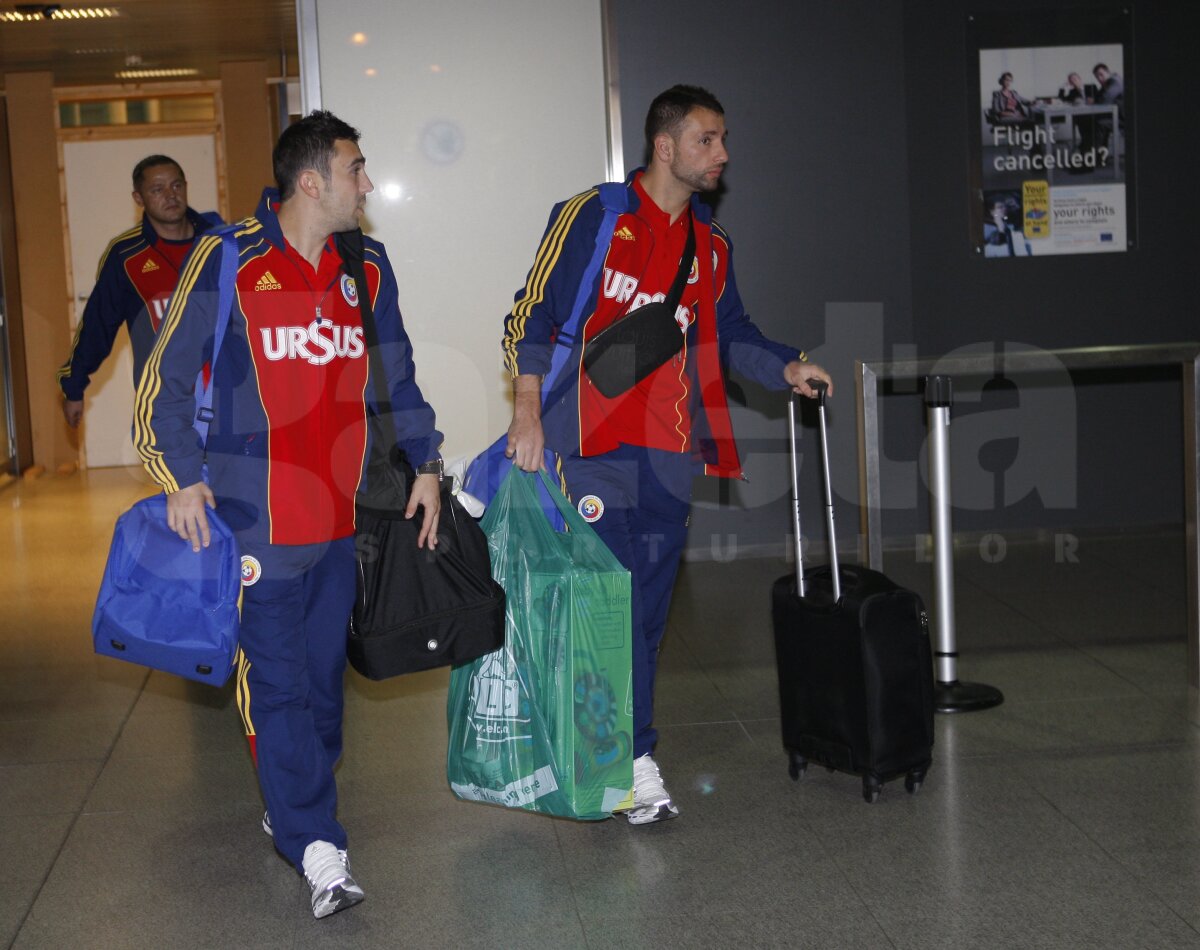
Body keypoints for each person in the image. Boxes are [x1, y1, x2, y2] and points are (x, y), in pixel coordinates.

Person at [133, 111, 443, 919]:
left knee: (321, 685)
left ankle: (296, 796)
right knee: (274, 686)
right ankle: (315, 843)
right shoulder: (229, 258)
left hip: (341, 519)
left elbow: (398, 378)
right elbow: (163, 384)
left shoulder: (366, 267)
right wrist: (181, 478)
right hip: (252, 522)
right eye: (357, 168)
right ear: (313, 181)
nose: (368, 184)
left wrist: (427, 464)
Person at [502, 84, 832, 825]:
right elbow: (530, 314)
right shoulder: (593, 217)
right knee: (606, 605)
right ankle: (624, 760)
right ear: (665, 146)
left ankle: (621, 752)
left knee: (647, 613)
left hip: (668, 455)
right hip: (587, 447)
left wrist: (786, 366)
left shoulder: (711, 246)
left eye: (722, 140)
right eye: (708, 140)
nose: (723, 154)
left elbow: (732, 330)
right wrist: (528, 412)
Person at [56, 155, 223, 428]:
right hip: (166, 400)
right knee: (176, 471)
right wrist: (74, 387)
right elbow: (98, 325)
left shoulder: (219, 241)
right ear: (139, 198)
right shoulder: (126, 256)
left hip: (226, 393)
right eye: (157, 189)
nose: (170, 195)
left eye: (176, 185)